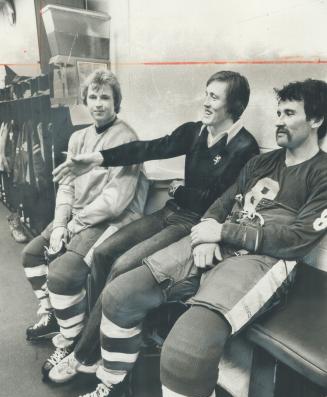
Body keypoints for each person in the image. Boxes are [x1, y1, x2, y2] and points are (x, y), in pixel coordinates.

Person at [66, 79, 327, 397]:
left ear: (317, 119)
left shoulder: (322, 173)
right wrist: (208, 225)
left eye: (289, 114)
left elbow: (296, 240)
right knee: (120, 294)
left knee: (182, 352)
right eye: (278, 112)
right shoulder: (263, 162)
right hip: (213, 239)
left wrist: (223, 234)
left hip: (264, 261)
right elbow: (225, 201)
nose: (279, 121)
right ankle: (113, 390)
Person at [49, 70, 259, 381]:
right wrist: (96, 158)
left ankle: (84, 353)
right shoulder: (195, 131)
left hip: (192, 224)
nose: (205, 101)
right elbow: (148, 148)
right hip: (170, 212)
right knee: (105, 253)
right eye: (206, 93)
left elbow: (215, 200)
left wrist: (179, 190)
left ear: (234, 104)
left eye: (214, 97)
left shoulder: (245, 148)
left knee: (122, 266)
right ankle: (94, 341)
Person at [22, 69, 149, 379]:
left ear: (116, 101)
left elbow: (115, 201)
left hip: (113, 221)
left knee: (63, 275)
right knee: (32, 255)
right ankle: (57, 315)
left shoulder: (127, 138)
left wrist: (75, 223)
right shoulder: (78, 137)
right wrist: (61, 223)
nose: (98, 103)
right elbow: (66, 185)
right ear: (85, 100)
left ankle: (71, 339)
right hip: (77, 218)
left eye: (105, 97)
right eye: (93, 97)